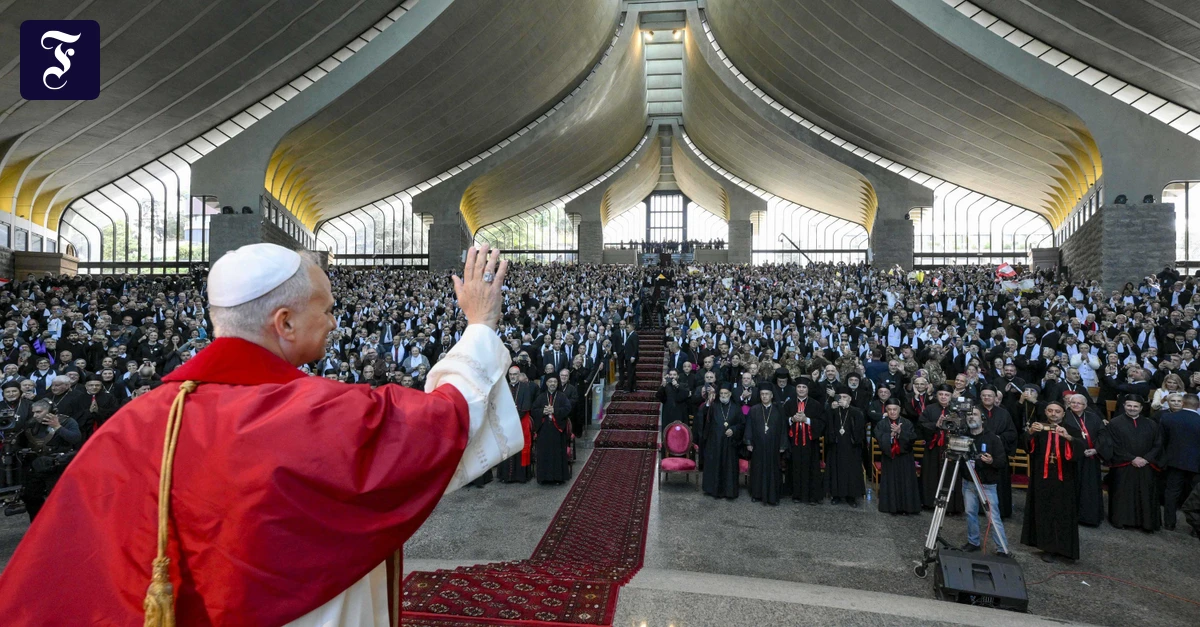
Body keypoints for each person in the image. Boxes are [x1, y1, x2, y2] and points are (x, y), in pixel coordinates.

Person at [0, 243, 523, 626]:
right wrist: (479, 324)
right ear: (285, 323)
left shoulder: (136, 425)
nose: (335, 322)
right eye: (326, 308)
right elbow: (446, 420)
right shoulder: (318, 416)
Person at [1021, 400, 1081, 562]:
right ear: (1046, 412)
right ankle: (1048, 547)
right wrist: (1031, 433)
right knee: (1044, 511)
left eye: (1057, 411)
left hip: (1064, 480)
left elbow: (1079, 451)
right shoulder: (1039, 428)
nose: (1053, 414)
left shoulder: (1072, 429)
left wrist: (1068, 437)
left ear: (1063, 413)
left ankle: (1064, 548)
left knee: (1063, 513)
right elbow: (1027, 446)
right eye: (1050, 411)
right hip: (1042, 478)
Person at [1101, 395, 1164, 531]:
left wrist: (1146, 459)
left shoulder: (1151, 424)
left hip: (1146, 465)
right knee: (1123, 495)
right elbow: (1113, 445)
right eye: (1129, 405)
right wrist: (1132, 458)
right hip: (1124, 465)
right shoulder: (1115, 423)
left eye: (1135, 406)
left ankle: (1146, 524)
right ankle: (1121, 521)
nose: (1132, 408)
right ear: (1124, 406)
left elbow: (1158, 445)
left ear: (1141, 408)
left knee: (1146, 494)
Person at [961, 405, 1010, 557]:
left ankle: (1002, 548)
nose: (971, 417)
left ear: (982, 418)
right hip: (968, 482)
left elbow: (1002, 462)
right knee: (970, 513)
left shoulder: (993, 439)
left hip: (987, 485)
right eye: (968, 414)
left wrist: (991, 461)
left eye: (974, 414)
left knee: (992, 517)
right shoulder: (962, 437)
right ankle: (973, 542)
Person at [1064, 394, 1107, 526]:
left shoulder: (1093, 417)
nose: (1076, 405)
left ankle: (1087, 517)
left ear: (1085, 405)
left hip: (1090, 457)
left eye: (1079, 403)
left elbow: (1103, 435)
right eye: (1073, 403)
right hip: (1071, 457)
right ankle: (1069, 515)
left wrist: (1096, 449)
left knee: (1089, 487)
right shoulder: (1064, 417)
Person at [1159, 393, 1200, 531]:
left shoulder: (1168, 418)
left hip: (1174, 461)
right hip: (1197, 464)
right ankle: (1196, 528)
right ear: (1198, 405)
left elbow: (1162, 441)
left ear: (1182, 403)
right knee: (1196, 496)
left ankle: (1169, 523)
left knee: (1171, 493)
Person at [874, 397, 922, 515]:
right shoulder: (881, 424)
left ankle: (907, 507)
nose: (892, 412)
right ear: (886, 410)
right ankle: (891, 507)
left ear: (899, 409)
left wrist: (900, 433)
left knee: (906, 482)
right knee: (890, 482)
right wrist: (890, 436)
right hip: (889, 458)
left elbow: (913, 438)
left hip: (905, 458)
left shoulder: (907, 422)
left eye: (895, 409)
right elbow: (879, 438)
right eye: (889, 409)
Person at [920, 384, 963, 513]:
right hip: (934, 449)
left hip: (951, 448)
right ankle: (929, 503)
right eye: (941, 394)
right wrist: (935, 425)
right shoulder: (929, 409)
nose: (943, 397)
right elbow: (921, 425)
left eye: (947, 395)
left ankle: (951, 506)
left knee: (950, 476)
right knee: (931, 475)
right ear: (936, 395)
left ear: (951, 396)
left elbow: (963, 426)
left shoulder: (957, 409)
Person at [696, 382, 743, 499]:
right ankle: (713, 490)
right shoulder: (714, 406)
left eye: (725, 393)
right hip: (715, 442)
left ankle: (729, 492)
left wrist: (733, 429)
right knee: (715, 465)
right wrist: (708, 402)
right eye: (721, 393)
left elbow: (741, 424)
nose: (723, 395)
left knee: (729, 467)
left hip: (729, 444)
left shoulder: (736, 408)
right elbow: (704, 418)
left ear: (730, 394)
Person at [979, 386, 1018, 519]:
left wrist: (999, 438)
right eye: (984, 395)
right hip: (979, 452)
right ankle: (980, 509)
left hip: (998, 453)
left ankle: (1000, 510)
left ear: (995, 398)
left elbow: (1012, 433)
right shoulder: (975, 411)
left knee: (1000, 483)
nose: (987, 398)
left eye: (989, 395)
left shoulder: (1004, 413)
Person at [744, 387, 786, 505]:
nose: (764, 396)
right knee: (757, 468)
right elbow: (749, 426)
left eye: (767, 394)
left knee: (773, 469)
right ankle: (757, 494)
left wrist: (783, 444)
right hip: (758, 446)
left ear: (772, 395)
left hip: (774, 445)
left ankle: (773, 495)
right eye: (762, 394)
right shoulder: (754, 409)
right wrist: (748, 442)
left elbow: (783, 429)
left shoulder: (778, 410)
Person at [826, 386, 867, 507]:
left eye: (845, 397)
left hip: (851, 447)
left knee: (851, 471)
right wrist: (830, 409)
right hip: (837, 446)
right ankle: (836, 495)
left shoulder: (856, 411)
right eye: (840, 397)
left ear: (850, 399)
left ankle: (851, 496)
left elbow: (860, 425)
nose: (842, 399)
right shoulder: (834, 410)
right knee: (836, 469)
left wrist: (848, 407)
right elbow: (827, 424)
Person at [787, 380, 825, 504]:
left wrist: (806, 420)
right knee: (796, 467)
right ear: (796, 389)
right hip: (795, 442)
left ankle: (812, 496)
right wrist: (792, 419)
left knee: (811, 468)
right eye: (799, 387)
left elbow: (822, 423)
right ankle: (796, 495)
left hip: (810, 443)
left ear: (808, 389)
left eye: (804, 387)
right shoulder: (789, 403)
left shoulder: (816, 404)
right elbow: (782, 421)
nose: (801, 389)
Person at [497, 366, 536, 483]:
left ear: (519, 375)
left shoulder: (525, 387)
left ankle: (520, 476)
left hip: (520, 423)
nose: (513, 376)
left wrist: (514, 416)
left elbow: (526, 405)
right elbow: (499, 405)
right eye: (511, 374)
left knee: (519, 449)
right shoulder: (504, 388)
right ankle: (506, 476)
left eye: (515, 374)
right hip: (507, 425)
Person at [532, 374, 573, 485]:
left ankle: (558, 478)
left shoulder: (562, 396)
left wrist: (554, 410)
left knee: (557, 454)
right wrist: (543, 412)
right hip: (544, 430)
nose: (553, 384)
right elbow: (534, 410)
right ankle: (543, 478)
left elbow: (568, 408)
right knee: (544, 454)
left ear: (557, 383)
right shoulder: (541, 397)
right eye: (550, 382)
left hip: (557, 431)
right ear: (546, 383)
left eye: (555, 381)